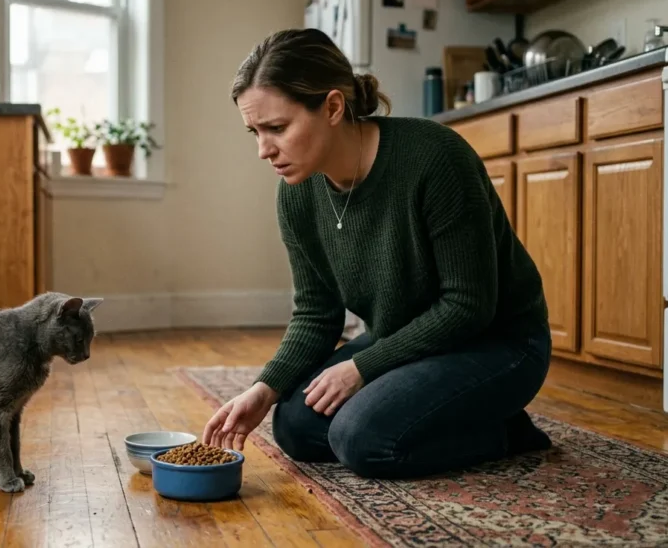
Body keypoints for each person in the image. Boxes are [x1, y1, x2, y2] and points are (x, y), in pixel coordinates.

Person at [201, 28, 553, 480]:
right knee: (295, 425)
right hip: (407, 335)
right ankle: (446, 416)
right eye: (254, 131)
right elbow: (316, 314)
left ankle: (507, 432)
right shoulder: (296, 194)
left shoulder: (435, 157)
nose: (263, 150)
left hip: (499, 343)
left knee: (362, 438)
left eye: (277, 128)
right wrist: (264, 389)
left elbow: (469, 306)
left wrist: (362, 367)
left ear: (332, 107)